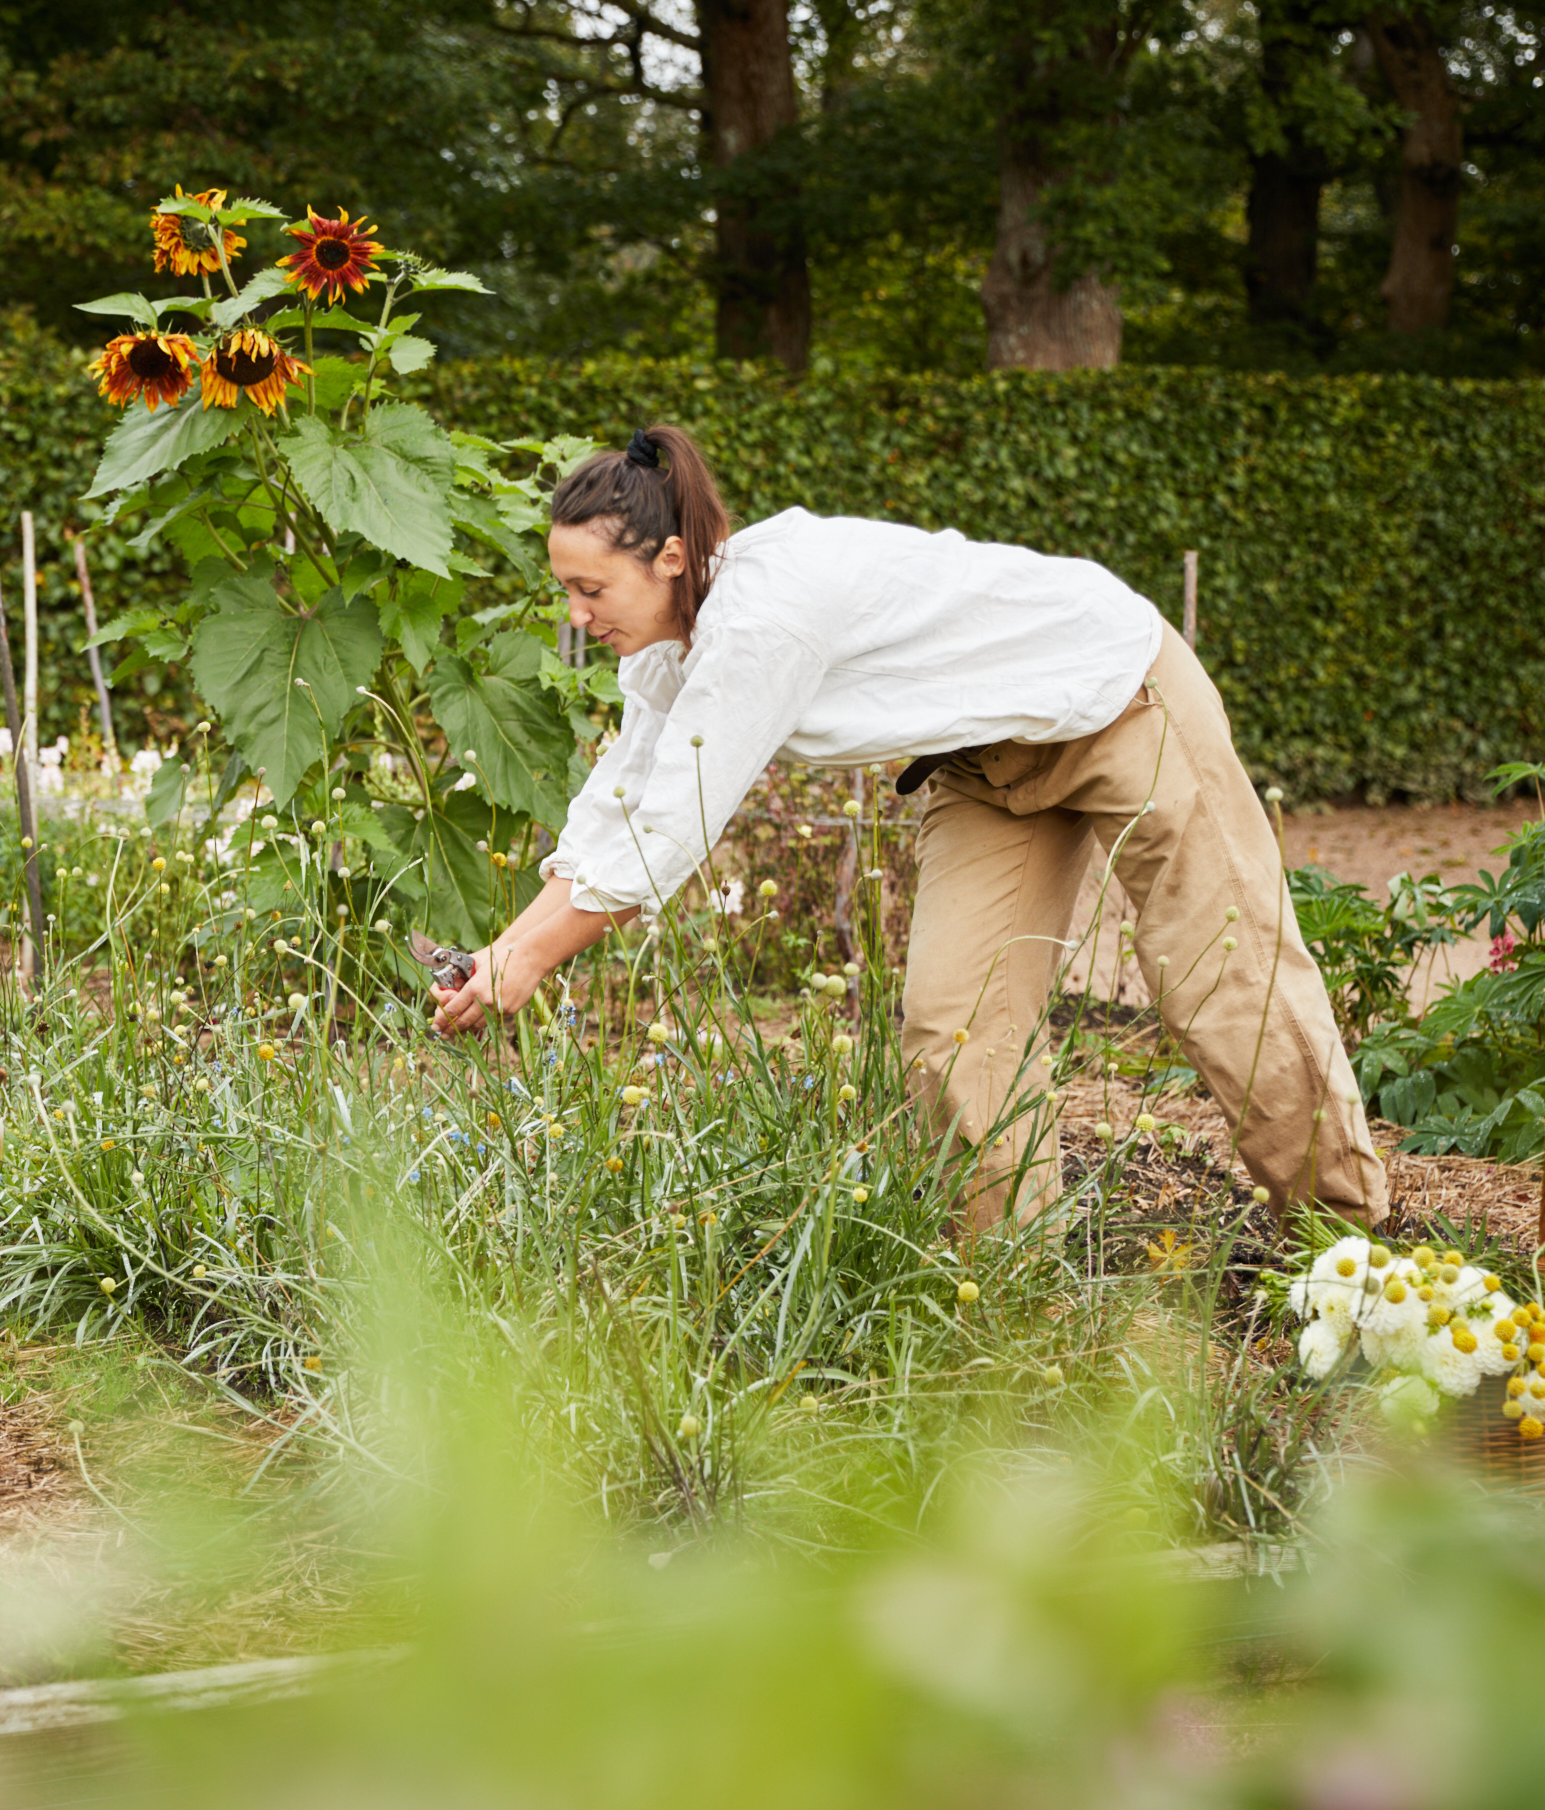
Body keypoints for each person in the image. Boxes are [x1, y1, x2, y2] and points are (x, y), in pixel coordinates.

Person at [429, 423, 1387, 1233]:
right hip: (985, 761)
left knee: (1220, 976)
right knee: (954, 1024)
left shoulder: (764, 621)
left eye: (590, 591)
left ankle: (1348, 1244)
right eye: (567, 590)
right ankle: (1009, 1286)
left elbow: (672, 826)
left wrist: (536, 962)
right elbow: (618, 809)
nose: (576, 614)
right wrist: (501, 952)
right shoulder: (668, 649)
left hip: (1118, 696)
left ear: (669, 557)